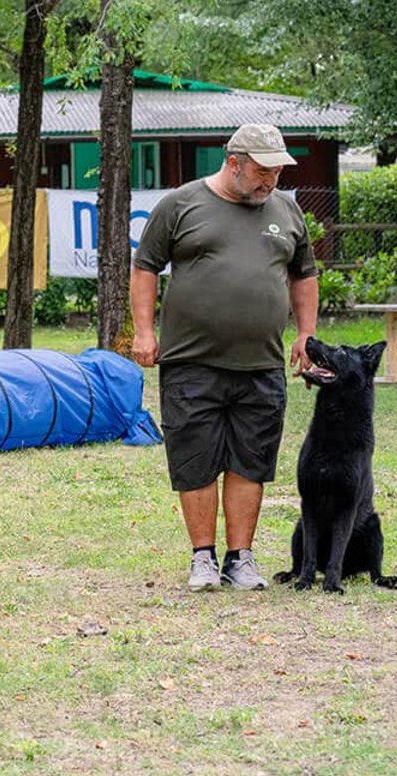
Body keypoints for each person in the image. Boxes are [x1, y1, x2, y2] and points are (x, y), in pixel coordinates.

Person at [128, 123, 319, 592]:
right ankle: (202, 559)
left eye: (276, 171)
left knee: (249, 461)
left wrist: (307, 334)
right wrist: (145, 332)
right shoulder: (181, 204)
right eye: (261, 171)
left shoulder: (287, 210)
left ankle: (241, 559)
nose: (269, 180)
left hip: (261, 363)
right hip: (191, 361)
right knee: (195, 459)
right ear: (233, 163)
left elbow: (304, 275)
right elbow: (145, 267)